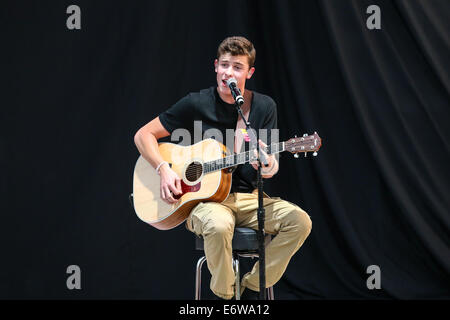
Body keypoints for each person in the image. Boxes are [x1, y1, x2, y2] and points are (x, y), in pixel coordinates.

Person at [134, 36, 312, 300]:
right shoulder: (196, 103)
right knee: (218, 225)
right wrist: (163, 168)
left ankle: (251, 289)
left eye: (237, 67)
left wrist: (266, 163)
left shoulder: (263, 107)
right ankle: (226, 297)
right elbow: (143, 135)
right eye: (225, 65)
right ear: (216, 67)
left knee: (300, 221)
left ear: (249, 73)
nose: (229, 72)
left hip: (250, 200)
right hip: (206, 203)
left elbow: (271, 167)